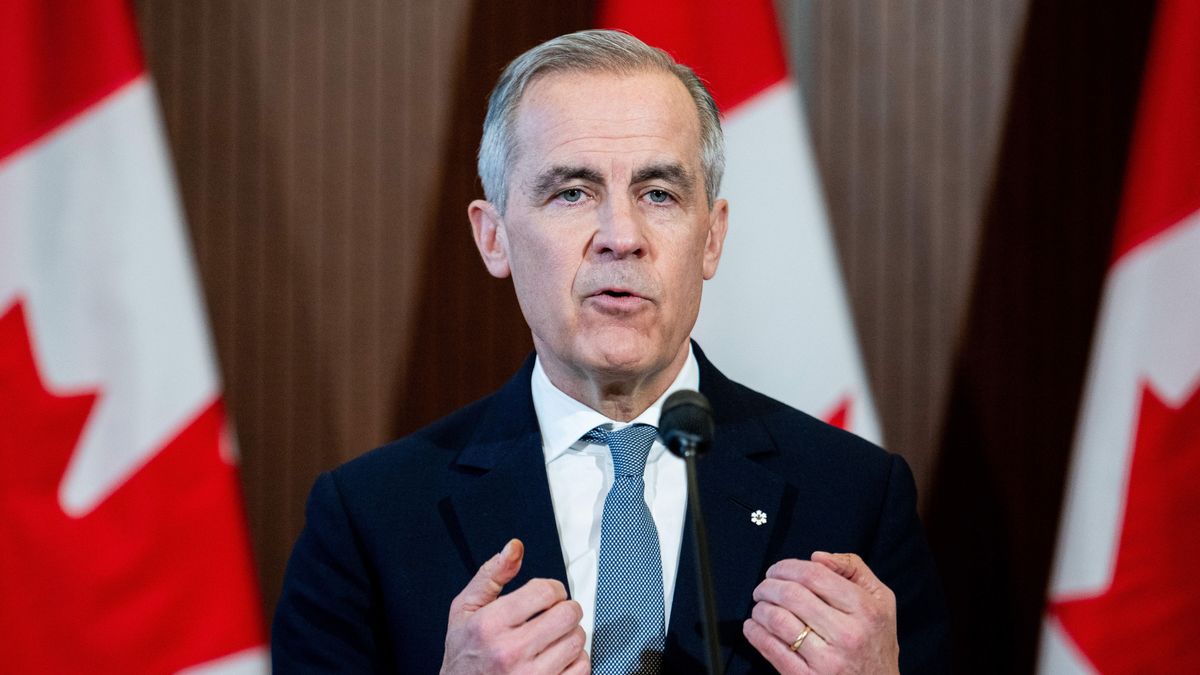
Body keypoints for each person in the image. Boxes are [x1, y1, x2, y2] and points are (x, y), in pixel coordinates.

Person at [272, 29, 949, 674]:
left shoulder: (853, 496)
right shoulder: (369, 518)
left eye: (658, 193)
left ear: (710, 238)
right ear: (494, 237)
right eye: (572, 192)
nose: (620, 236)